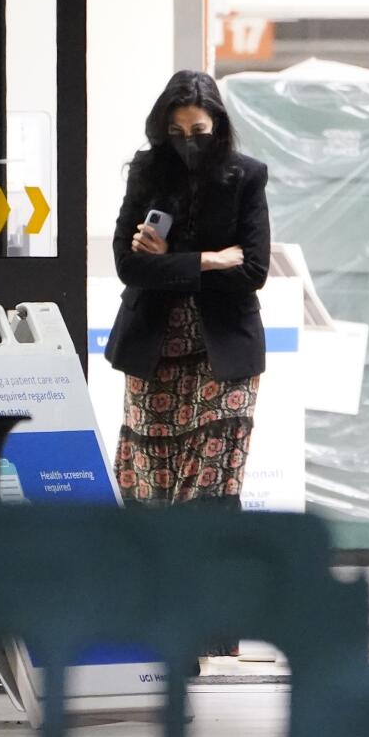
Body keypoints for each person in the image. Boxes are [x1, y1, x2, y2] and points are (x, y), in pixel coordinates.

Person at [105, 70, 271, 512]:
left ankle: (213, 576)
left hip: (225, 350)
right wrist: (207, 259)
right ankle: (157, 575)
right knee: (151, 485)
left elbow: (252, 270)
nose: (188, 140)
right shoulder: (146, 171)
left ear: (216, 124)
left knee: (215, 484)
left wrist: (169, 259)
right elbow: (128, 265)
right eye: (176, 132)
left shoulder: (246, 176)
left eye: (198, 131)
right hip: (154, 349)